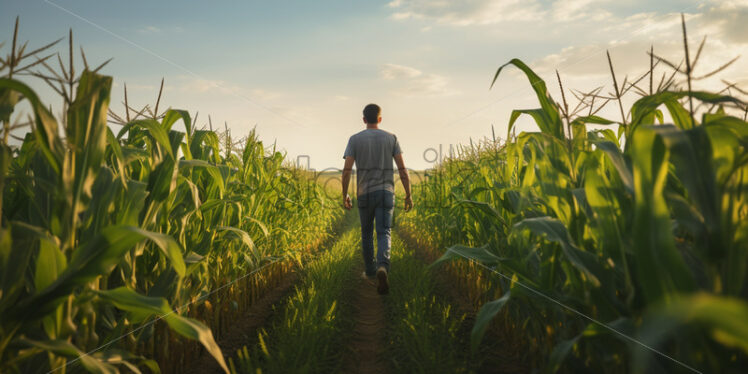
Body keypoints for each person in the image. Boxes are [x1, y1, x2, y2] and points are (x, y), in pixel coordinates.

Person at [342, 103, 413, 295]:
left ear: (364, 119)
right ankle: (383, 266)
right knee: (384, 232)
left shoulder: (354, 140)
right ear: (380, 119)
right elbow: (402, 169)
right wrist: (408, 194)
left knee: (366, 233)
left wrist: (344, 194)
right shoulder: (391, 138)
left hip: (364, 193)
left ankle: (371, 271)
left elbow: (347, 169)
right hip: (386, 192)